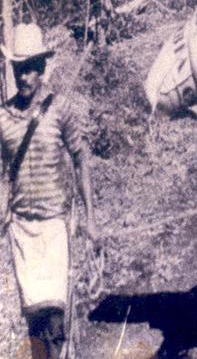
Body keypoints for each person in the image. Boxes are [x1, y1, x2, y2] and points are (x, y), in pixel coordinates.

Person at [0, 23, 98, 359]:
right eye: (19, 69)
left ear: (42, 69)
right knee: (34, 318)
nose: (24, 77)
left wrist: (91, 220)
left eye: (31, 69)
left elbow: (81, 158)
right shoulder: (4, 118)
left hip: (54, 225)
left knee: (55, 318)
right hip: (21, 230)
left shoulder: (60, 109)